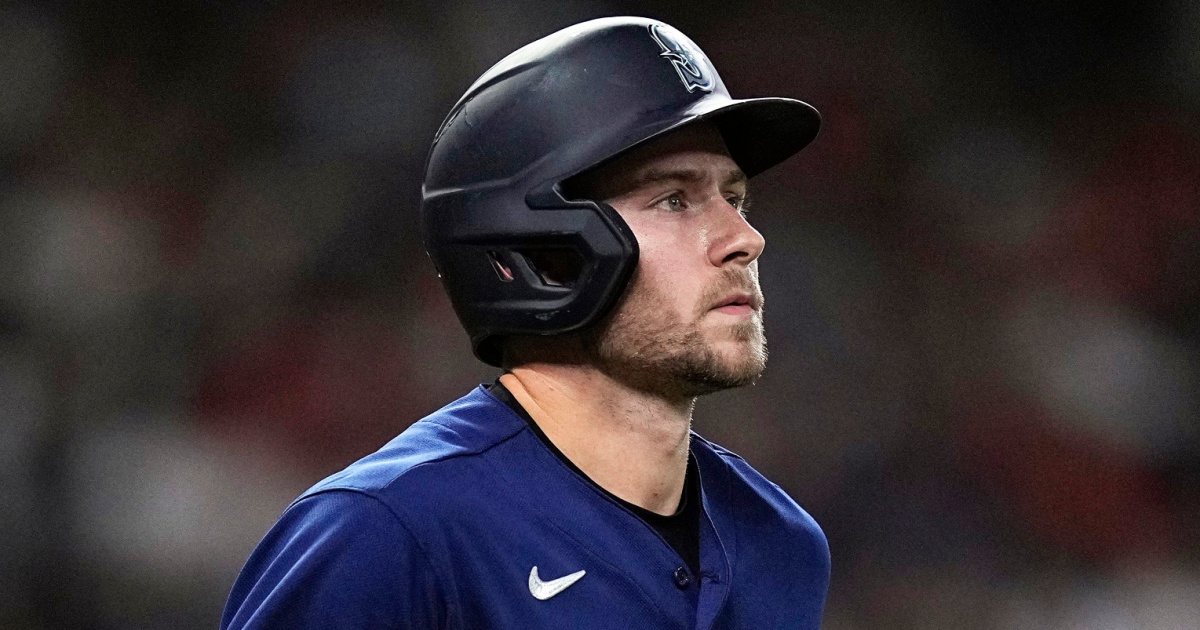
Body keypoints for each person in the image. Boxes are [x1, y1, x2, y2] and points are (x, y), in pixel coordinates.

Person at [222, 16, 828, 629]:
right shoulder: (387, 535)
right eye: (674, 199)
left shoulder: (781, 544)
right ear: (540, 251)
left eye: (736, 198)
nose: (744, 239)